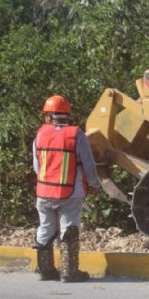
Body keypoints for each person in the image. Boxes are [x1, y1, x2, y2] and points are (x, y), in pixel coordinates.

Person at [32, 95, 101, 282]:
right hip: (71, 192)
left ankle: (45, 271)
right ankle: (69, 272)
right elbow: (89, 165)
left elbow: (37, 166)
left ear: (48, 116)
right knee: (68, 229)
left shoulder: (40, 134)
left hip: (44, 192)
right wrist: (95, 184)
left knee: (45, 228)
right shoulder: (75, 134)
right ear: (67, 115)